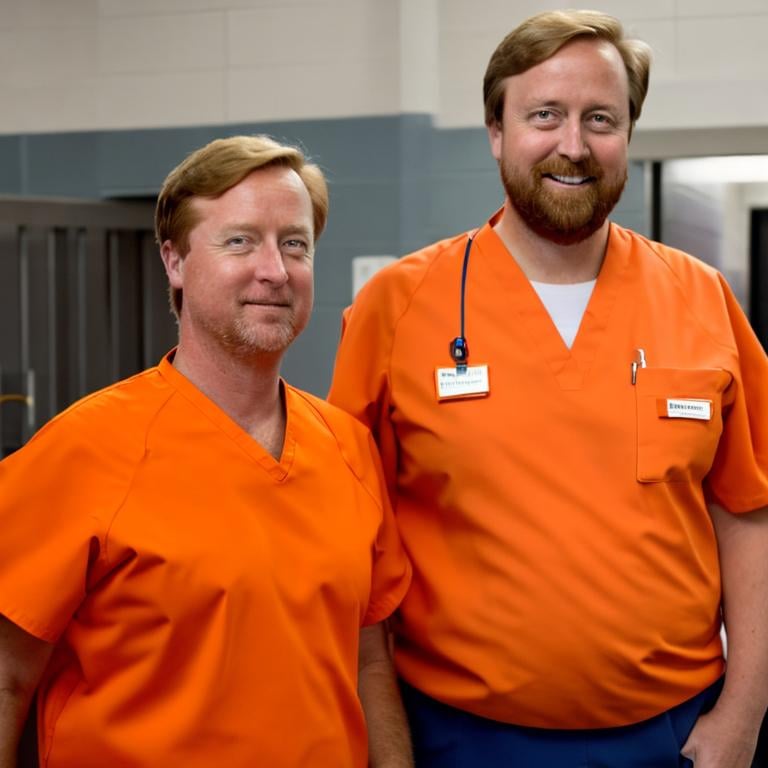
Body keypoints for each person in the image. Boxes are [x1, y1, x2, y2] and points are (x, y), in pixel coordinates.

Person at [328, 10, 768, 768]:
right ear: (496, 131)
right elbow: (348, 543)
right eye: (544, 116)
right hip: (458, 735)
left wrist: (744, 713)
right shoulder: (396, 307)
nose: (573, 144)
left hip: (678, 735)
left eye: (601, 118)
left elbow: (747, 512)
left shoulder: (701, 297)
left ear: (628, 133)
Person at [0, 135, 413, 768]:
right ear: (174, 261)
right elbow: (8, 677)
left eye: (294, 244)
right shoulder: (83, 450)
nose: (274, 270)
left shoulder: (347, 448)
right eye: (240, 240)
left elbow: (369, 658)